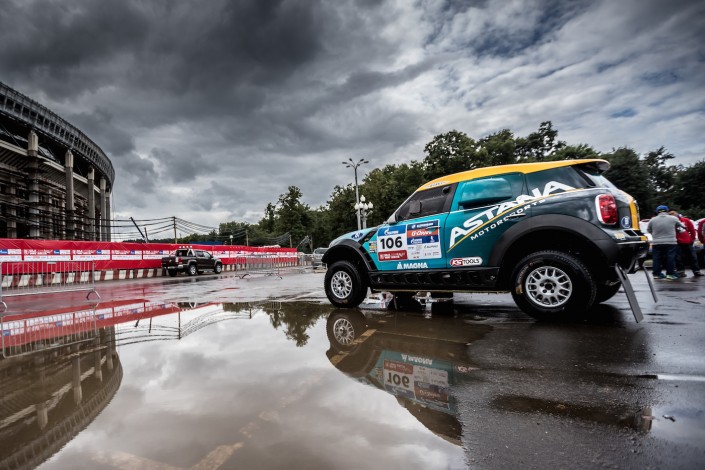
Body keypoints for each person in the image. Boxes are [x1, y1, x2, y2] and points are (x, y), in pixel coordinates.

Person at [647, 205, 685, 280]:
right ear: (667, 211)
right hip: (671, 242)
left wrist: (655, 234)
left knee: (656, 258)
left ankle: (656, 274)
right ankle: (670, 274)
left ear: (657, 211)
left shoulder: (652, 220)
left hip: (657, 242)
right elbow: (682, 227)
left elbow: (649, 230)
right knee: (670, 257)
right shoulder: (673, 218)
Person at [670, 211, 702, 277]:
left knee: (693, 257)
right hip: (677, 242)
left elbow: (692, 230)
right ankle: (680, 271)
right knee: (678, 258)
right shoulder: (670, 222)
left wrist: (692, 238)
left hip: (688, 241)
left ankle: (696, 271)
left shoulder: (686, 220)